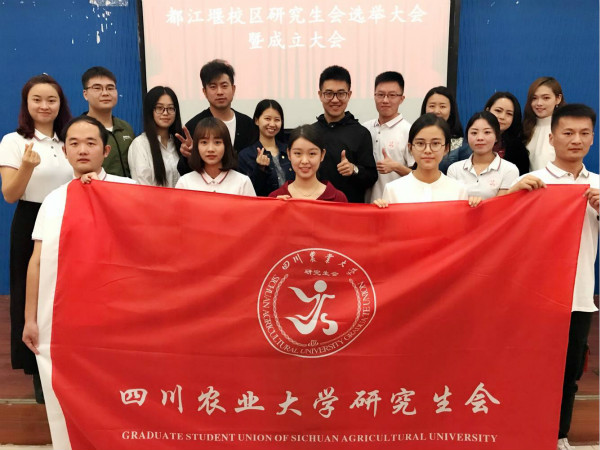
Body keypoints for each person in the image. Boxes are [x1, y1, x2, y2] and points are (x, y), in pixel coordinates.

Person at [507, 104, 598, 450]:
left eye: (584, 133)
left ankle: (559, 435)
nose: (576, 140)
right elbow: (502, 235)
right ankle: (521, 432)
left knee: (569, 373)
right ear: (552, 137)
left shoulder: (597, 185)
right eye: (568, 133)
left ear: (592, 138)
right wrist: (513, 199)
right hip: (534, 295)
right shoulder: (530, 182)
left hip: (579, 294)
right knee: (527, 368)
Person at [22, 115, 136, 380]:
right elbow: (37, 261)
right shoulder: (53, 200)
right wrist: (30, 319)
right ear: (65, 151)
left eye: (90, 143)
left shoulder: (129, 189)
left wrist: (101, 192)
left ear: (106, 150)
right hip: (73, 311)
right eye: (74, 143)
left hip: (123, 311)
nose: (82, 150)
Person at [0, 74, 72, 403]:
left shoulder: (69, 138)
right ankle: (38, 371)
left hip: (68, 218)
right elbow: (10, 194)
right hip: (31, 220)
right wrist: (27, 168)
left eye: (51, 100)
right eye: (37, 100)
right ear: (26, 104)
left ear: (60, 104)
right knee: (31, 294)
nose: (44, 106)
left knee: (67, 292)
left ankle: (69, 364)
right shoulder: (14, 141)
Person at [373, 113, 480, 207]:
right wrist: (379, 210)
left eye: (435, 143)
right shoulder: (393, 190)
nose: (428, 150)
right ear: (410, 148)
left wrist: (476, 207)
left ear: (446, 148)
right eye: (420, 143)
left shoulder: (458, 190)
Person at [177, 59, 258, 175]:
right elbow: (183, 171)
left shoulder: (248, 124)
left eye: (224, 86)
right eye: (213, 87)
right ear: (204, 92)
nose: (219, 92)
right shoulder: (194, 126)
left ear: (233, 89)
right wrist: (188, 156)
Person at [310, 65, 377, 203]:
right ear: (320, 95)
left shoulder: (361, 133)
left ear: (349, 95)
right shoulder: (310, 133)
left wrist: (354, 169)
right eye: (329, 93)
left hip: (349, 209)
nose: (335, 100)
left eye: (341, 93)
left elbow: (371, 177)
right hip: (315, 207)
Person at [362, 71, 413, 203]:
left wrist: (396, 167)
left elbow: (420, 177)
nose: (385, 100)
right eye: (380, 95)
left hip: (396, 206)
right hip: (366, 206)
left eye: (392, 95)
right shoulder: (364, 129)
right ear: (374, 96)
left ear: (402, 98)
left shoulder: (409, 131)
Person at [175, 117, 255, 196]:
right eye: (204, 142)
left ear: (226, 146)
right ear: (197, 146)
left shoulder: (243, 182)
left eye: (217, 142)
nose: (211, 149)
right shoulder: (185, 183)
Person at [447, 111, 519, 199]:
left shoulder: (509, 170)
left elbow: (502, 203)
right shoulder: (454, 170)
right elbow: (452, 203)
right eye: (474, 133)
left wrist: (478, 204)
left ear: (496, 137)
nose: (480, 138)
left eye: (487, 132)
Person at [269, 125, 347, 202]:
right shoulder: (275, 198)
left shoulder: (338, 198)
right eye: (298, 153)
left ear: (322, 155)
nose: (304, 161)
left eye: (312, 153)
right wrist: (276, 207)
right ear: (289, 154)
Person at [81, 66, 135, 177]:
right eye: (97, 88)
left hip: (129, 187)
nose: (105, 93)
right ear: (85, 94)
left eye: (110, 88)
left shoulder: (125, 128)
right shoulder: (78, 129)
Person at [128, 86, 182, 187]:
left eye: (170, 108)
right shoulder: (140, 145)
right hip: (152, 197)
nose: (165, 113)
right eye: (159, 108)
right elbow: (143, 187)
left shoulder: (180, 143)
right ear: (150, 111)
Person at [237, 99, 293, 196]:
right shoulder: (246, 155)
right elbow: (248, 191)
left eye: (277, 120)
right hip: (264, 205)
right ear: (257, 121)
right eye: (267, 119)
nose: (272, 124)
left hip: (292, 203)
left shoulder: (290, 151)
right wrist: (260, 169)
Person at [522, 77, 565, 171]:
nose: (539, 103)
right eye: (534, 98)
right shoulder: (523, 130)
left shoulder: (567, 130)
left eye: (546, 98)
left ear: (558, 99)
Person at [421, 86, 467, 174]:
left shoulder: (461, 144)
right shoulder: (416, 138)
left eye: (442, 106)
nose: (436, 111)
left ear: (451, 110)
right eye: (432, 106)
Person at [484, 92, 530, 175]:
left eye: (509, 114)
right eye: (498, 111)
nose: (502, 117)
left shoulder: (518, 149)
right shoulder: (473, 139)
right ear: (488, 110)